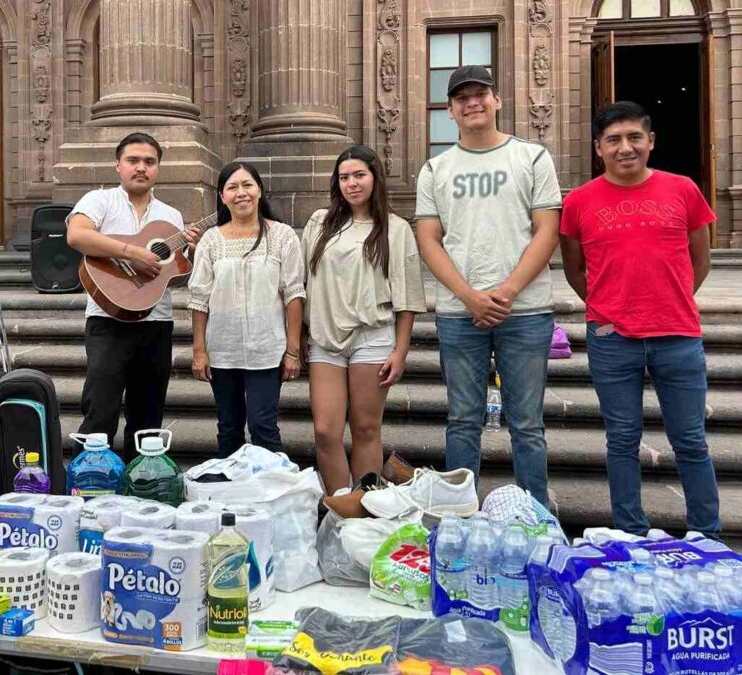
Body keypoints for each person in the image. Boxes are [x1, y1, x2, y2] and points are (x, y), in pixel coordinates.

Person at [560, 101, 720, 538]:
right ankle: (630, 530)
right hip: (612, 339)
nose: (624, 148)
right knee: (622, 440)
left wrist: (670, 300)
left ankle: (707, 534)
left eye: (634, 137)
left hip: (678, 335)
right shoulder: (578, 202)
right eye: (613, 140)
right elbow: (575, 269)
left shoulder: (683, 189)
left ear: (650, 141)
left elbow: (699, 259)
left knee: (690, 441)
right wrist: (605, 311)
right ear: (599, 148)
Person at [414, 65, 561, 507]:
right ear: (450, 111)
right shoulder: (435, 169)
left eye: (481, 94)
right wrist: (469, 296)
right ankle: (461, 515)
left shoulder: (532, 157)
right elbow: (428, 239)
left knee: (527, 423)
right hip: (460, 314)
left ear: (497, 100)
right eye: (462, 98)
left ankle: (534, 514)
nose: (472, 102)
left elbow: (547, 230)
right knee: (462, 419)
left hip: (527, 310)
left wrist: (508, 291)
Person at [66, 132, 200, 461]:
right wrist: (131, 252)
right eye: (133, 160)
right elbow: (77, 235)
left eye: (149, 162)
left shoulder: (171, 216)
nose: (141, 168)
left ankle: (141, 485)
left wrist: (189, 255)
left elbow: (172, 276)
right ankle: (91, 485)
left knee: (148, 414)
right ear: (118, 165)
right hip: (107, 319)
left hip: (156, 322)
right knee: (100, 408)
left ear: (158, 168)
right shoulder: (99, 201)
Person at [303, 144, 427, 496]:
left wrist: (400, 351)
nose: (351, 183)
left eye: (359, 175)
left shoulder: (396, 228)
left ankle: (365, 508)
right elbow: (301, 283)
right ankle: (342, 506)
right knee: (325, 431)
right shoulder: (319, 223)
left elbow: (408, 297)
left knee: (365, 427)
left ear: (375, 177)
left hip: (372, 337)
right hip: (325, 336)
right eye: (344, 177)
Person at [188, 162, 306, 456]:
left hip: (267, 350)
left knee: (263, 425)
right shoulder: (212, 240)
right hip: (222, 350)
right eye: (232, 187)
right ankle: (232, 495)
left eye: (247, 185)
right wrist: (199, 351)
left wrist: (292, 351)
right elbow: (200, 299)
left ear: (259, 190)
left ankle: (270, 493)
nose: (241, 193)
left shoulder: (281, 236)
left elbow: (293, 294)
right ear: (222, 196)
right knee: (228, 426)